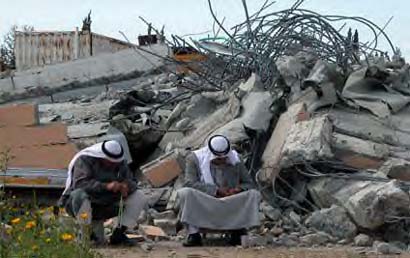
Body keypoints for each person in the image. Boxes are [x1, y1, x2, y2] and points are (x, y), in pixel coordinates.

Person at [177, 135, 261, 247]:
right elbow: (189, 183)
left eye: (224, 158)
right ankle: (194, 235)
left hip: (230, 201)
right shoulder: (194, 158)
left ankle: (238, 230)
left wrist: (238, 189)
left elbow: (249, 183)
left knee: (253, 194)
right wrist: (216, 190)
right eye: (218, 159)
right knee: (185, 193)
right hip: (206, 202)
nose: (222, 161)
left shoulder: (236, 159)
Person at [59, 140, 146, 245]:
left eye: (115, 162)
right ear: (102, 156)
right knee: (79, 194)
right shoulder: (85, 160)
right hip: (81, 205)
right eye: (109, 162)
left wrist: (126, 186)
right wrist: (106, 186)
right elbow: (80, 184)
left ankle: (119, 234)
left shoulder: (120, 163)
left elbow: (132, 181)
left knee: (139, 196)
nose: (113, 165)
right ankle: (87, 235)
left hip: (106, 204)